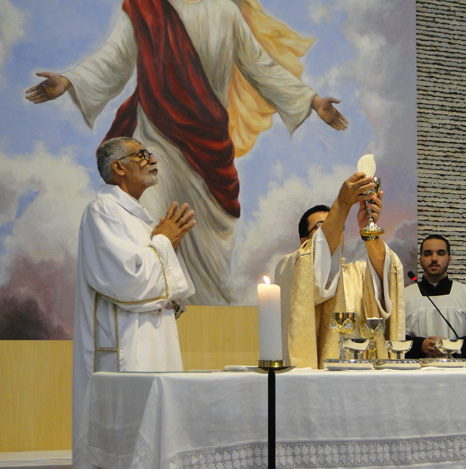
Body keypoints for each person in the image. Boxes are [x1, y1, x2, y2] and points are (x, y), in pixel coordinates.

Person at [25, 0, 347, 305]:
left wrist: (312, 101)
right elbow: (112, 59)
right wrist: (69, 81)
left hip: (209, 150)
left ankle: (207, 329)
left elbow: (261, 68)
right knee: (151, 226)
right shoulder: (146, 8)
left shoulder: (224, 12)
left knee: (209, 263)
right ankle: (153, 315)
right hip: (156, 139)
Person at [72, 137, 196, 453]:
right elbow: (127, 281)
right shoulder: (103, 211)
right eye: (142, 154)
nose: (152, 159)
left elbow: (164, 287)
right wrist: (164, 243)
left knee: (160, 437)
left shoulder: (140, 218)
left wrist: (167, 245)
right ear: (118, 167)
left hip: (157, 339)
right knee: (128, 446)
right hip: (128, 347)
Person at [274, 173, 405, 369]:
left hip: (364, 372)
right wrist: (342, 204)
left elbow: (388, 271)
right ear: (304, 241)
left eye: (338, 226)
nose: (335, 232)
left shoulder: (359, 273)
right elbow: (316, 257)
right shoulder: (291, 266)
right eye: (323, 227)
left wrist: (368, 229)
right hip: (321, 372)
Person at [404, 234, 466, 364]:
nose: (434, 259)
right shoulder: (404, 297)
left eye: (440, 253)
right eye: (428, 254)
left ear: (449, 259)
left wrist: (450, 347)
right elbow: (392, 341)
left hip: (457, 373)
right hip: (415, 373)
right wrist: (421, 346)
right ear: (421, 260)